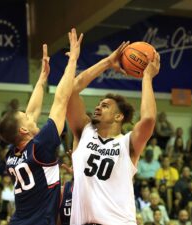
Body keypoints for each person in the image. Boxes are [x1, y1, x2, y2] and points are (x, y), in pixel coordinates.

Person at [66, 40, 160, 224]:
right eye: (99, 104)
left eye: (106, 105)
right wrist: (108, 62)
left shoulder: (128, 143)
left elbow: (148, 119)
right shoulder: (84, 131)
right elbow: (71, 90)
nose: (98, 107)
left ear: (119, 117)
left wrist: (147, 77)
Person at [0, 28, 83, 225]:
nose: (31, 117)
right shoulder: (40, 146)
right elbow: (61, 100)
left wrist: (42, 78)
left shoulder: (12, 155)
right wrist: (72, 61)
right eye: (27, 119)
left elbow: (31, 111)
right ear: (24, 130)